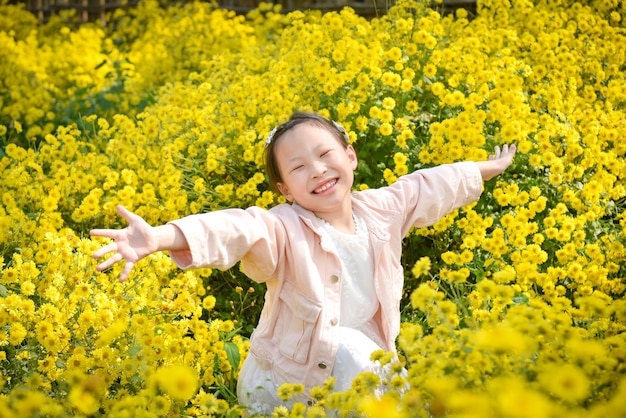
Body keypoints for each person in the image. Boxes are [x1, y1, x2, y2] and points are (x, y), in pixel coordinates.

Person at [91, 112, 517, 414]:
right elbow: (236, 228)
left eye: (325, 154)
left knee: (370, 363)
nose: (317, 170)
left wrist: (489, 167)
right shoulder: (282, 229)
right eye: (298, 168)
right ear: (285, 190)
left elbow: (428, 185)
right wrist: (161, 237)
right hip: (283, 388)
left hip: (357, 367)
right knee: (357, 355)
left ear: (350, 156)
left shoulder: (381, 210)